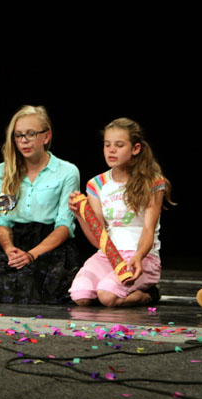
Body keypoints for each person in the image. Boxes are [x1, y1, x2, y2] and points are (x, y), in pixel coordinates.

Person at [0, 105, 80, 303]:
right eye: (18, 135)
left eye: (31, 134)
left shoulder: (67, 171)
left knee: (39, 285)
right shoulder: (2, 171)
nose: (24, 140)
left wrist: (31, 255)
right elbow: (1, 221)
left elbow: (65, 224)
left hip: (49, 244)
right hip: (14, 241)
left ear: (46, 136)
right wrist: (9, 249)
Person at [68, 118, 174, 307]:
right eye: (107, 145)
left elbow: (148, 228)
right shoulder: (96, 184)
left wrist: (139, 256)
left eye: (119, 145)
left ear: (135, 148)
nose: (111, 150)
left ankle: (149, 294)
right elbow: (98, 238)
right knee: (80, 295)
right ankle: (113, 286)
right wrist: (79, 214)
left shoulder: (152, 182)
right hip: (108, 256)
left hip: (141, 256)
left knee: (107, 296)